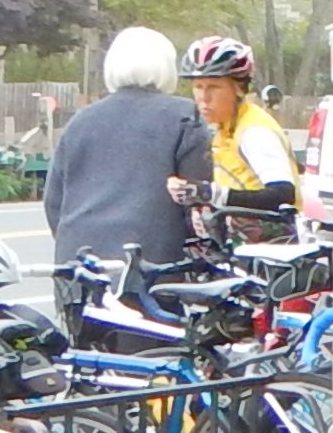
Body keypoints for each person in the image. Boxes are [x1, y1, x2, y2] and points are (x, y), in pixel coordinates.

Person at [44, 25, 211, 279]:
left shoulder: (80, 121)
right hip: (150, 263)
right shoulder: (186, 117)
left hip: (78, 263)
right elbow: (196, 200)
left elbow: (53, 202)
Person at [183, 35, 299, 193]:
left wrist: (212, 195)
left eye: (214, 87)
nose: (204, 97)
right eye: (198, 86)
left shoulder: (254, 132)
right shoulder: (227, 126)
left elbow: (283, 192)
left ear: (239, 88)